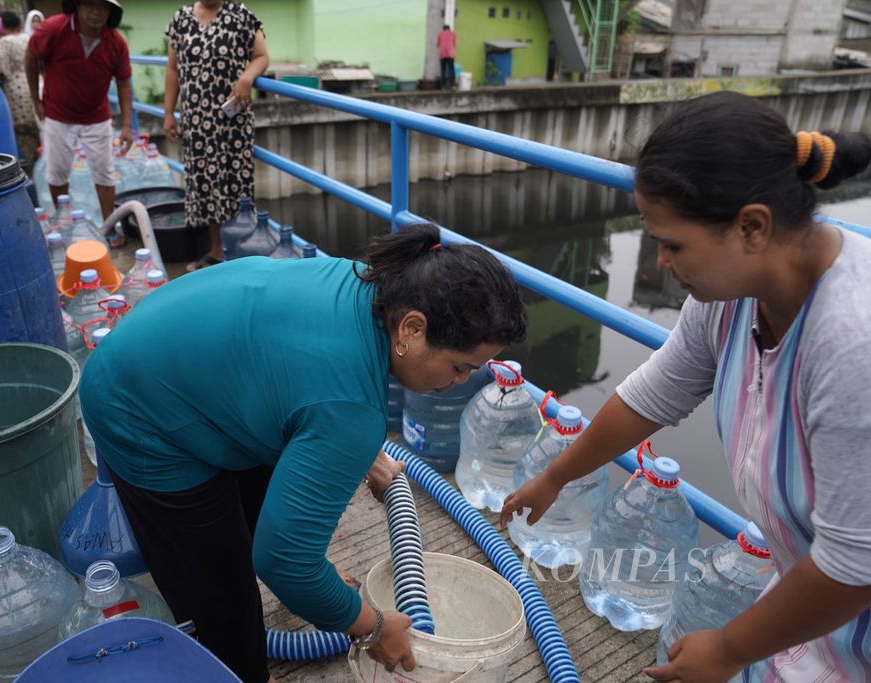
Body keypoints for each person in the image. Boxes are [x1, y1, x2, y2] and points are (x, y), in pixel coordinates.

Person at [501, 91, 871, 683]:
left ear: (752, 227)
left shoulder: (854, 343)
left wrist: (727, 650)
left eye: (673, 244)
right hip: (812, 605)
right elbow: (654, 394)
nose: (662, 261)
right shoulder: (733, 292)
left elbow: (855, 564)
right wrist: (554, 477)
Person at [80, 224, 527, 682]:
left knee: (267, 514)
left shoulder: (372, 285)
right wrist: (374, 627)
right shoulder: (351, 412)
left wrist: (361, 452)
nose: (458, 383)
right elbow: (283, 562)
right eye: (459, 367)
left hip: (177, 358)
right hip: (137, 410)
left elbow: (307, 385)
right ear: (412, 328)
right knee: (223, 594)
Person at [163, 0, 269, 271]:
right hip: (197, 121)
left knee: (237, 185)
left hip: (231, 122)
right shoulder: (181, 19)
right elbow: (173, 69)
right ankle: (216, 250)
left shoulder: (240, 14)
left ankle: (241, 252)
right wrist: (167, 113)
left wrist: (246, 78)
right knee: (207, 187)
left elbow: (261, 56)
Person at [26, 0, 133, 246]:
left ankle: (109, 226)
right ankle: (64, 226)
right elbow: (30, 59)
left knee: (104, 172)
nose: (97, 12)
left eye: (103, 8)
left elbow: (124, 82)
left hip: (97, 116)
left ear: (110, 13)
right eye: (91, 5)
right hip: (58, 114)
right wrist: (36, 100)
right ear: (78, 6)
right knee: (57, 170)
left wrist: (127, 126)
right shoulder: (53, 29)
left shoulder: (115, 43)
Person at [0, 11, 39, 171]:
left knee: (23, 130)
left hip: (16, 88)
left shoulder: (5, 42)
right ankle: (44, 160)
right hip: (34, 83)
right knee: (37, 126)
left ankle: (34, 167)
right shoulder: (28, 37)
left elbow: (3, 69)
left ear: (4, 26)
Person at [437, 24, 456, 90]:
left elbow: (438, 45)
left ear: (443, 29)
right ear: (449, 29)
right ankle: (453, 85)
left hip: (442, 54)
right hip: (450, 54)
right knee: (451, 70)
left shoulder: (440, 34)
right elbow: (454, 44)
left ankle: (443, 86)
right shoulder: (453, 33)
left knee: (443, 70)